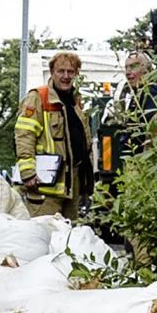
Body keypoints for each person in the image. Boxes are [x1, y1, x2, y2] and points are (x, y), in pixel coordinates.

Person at [15, 51, 102, 218]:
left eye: (71, 71)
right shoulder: (38, 98)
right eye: (61, 71)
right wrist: (27, 172)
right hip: (44, 187)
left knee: (68, 239)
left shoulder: (74, 101)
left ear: (76, 73)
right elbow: (24, 135)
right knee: (44, 237)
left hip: (71, 187)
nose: (66, 76)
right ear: (52, 72)